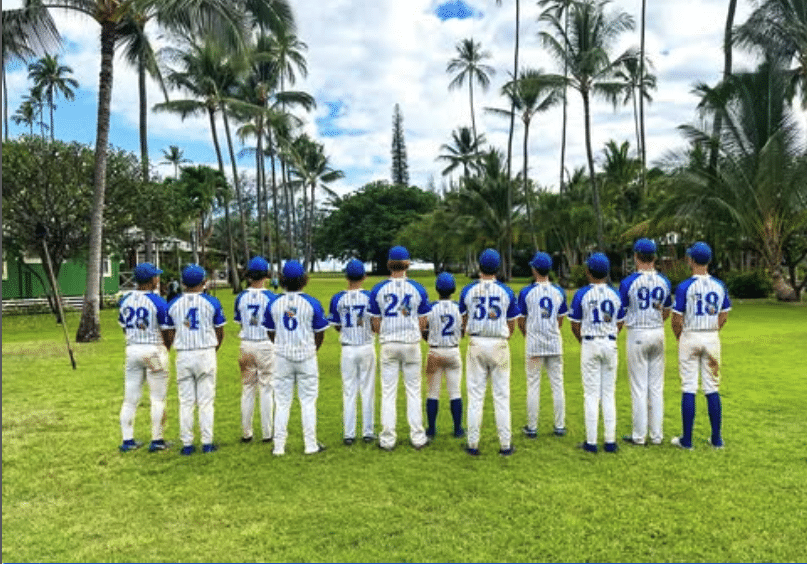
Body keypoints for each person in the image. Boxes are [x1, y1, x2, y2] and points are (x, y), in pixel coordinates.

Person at [368, 245, 432, 451]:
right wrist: (413, 333)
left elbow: (375, 322)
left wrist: (386, 334)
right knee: (413, 391)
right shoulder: (418, 288)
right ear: (407, 264)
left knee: (388, 392)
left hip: (388, 342)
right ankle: (418, 437)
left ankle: (387, 439)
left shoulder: (378, 289)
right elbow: (423, 321)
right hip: (411, 343)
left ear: (389, 264)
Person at [670, 242, 731, 450]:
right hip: (711, 337)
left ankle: (687, 440)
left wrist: (680, 338)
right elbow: (724, 314)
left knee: (689, 387)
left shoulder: (685, 286)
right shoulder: (719, 285)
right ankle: (716, 439)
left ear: (691, 260)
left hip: (690, 335)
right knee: (712, 387)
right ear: (709, 260)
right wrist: (713, 330)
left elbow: (676, 319)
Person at [459, 249, 520, 456]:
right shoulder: (506, 291)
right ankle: (505, 445)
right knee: (502, 396)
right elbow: (511, 324)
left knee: (475, 397)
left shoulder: (468, 290)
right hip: (499, 343)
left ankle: (472, 444)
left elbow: (464, 320)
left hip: (476, 342)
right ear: (497, 268)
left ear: (480, 266)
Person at [267, 260, 329, 456]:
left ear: (282, 280)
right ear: (304, 279)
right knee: (308, 402)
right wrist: (312, 349)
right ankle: (310, 445)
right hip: (306, 356)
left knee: (282, 402)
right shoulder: (312, 303)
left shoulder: (274, 302)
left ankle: (278, 446)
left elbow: (270, 332)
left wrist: (280, 344)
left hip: (282, 356)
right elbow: (319, 333)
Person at [165, 264, 226, 455]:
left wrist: (175, 344)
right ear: (204, 282)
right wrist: (214, 348)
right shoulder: (212, 302)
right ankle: (207, 443)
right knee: (206, 401)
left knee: (186, 401)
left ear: (183, 283)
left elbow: (169, 332)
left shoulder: (173, 303)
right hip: (205, 351)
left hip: (183, 353)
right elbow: (220, 330)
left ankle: (187, 444)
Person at [569, 253, 625, 454]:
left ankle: (591, 442)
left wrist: (583, 340)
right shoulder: (615, 294)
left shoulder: (582, 294)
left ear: (588, 272)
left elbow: (575, 324)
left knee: (591, 395)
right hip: (610, 342)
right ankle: (610, 441)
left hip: (590, 342)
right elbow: (620, 322)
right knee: (608, 394)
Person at [619, 239, 673, 446]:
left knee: (639, 387)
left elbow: (622, 312)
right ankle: (657, 435)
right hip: (658, 331)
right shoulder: (664, 281)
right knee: (656, 387)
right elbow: (666, 310)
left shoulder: (628, 282)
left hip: (637, 333)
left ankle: (639, 435)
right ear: (655, 257)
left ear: (636, 257)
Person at [117, 262, 172, 453]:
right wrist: (166, 349)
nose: (158, 279)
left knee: (129, 399)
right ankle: (157, 440)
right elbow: (167, 331)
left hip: (132, 350)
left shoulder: (125, 300)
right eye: (156, 276)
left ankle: (127, 440)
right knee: (157, 398)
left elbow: (124, 327)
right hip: (153, 349)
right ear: (151, 280)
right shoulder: (158, 302)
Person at [517, 251, 569, 439]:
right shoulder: (559, 291)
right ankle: (559, 426)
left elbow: (521, 320)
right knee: (557, 385)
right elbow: (560, 319)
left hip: (534, 342)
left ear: (534, 269)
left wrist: (528, 334)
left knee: (533, 385)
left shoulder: (526, 292)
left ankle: (532, 427)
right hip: (554, 342)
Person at [328, 259, 377, 445]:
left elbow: (337, 325)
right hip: (366, 346)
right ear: (364, 276)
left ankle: (349, 434)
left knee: (349, 391)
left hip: (348, 348)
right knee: (367, 390)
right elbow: (375, 323)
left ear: (346, 277)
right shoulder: (370, 297)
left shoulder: (338, 298)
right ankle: (367, 432)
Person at [234, 256, 276, 444]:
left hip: (246, 344)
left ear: (249, 275)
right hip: (266, 344)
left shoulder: (241, 297)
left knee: (248, 389)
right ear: (266, 275)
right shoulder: (272, 298)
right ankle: (267, 433)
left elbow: (240, 322)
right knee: (266, 388)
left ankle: (247, 433)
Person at [422, 272, 465, 439]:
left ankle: (431, 429)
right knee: (455, 392)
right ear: (453, 289)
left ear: (437, 288)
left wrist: (430, 339)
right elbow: (463, 330)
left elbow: (423, 330)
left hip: (435, 350)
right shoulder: (459, 308)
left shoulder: (430, 308)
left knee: (432, 392)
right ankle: (458, 429)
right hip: (453, 350)